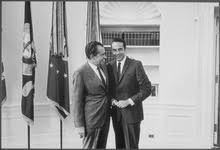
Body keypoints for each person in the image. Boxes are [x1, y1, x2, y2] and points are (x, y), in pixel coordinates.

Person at [107, 38, 152, 149]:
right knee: (120, 146)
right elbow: (108, 90)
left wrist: (129, 101)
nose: (117, 53)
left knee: (132, 146)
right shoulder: (108, 66)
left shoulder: (136, 64)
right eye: (114, 50)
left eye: (120, 49)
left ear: (125, 49)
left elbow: (147, 89)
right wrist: (112, 100)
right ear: (111, 51)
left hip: (132, 114)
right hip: (116, 115)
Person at [72, 41, 110, 149]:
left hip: (105, 119)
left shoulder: (104, 67)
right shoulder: (80, 73)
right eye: (102, 55)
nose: (105, 57)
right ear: (92, 56)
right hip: (91, 121)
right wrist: (79, 126)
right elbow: (77, 102)